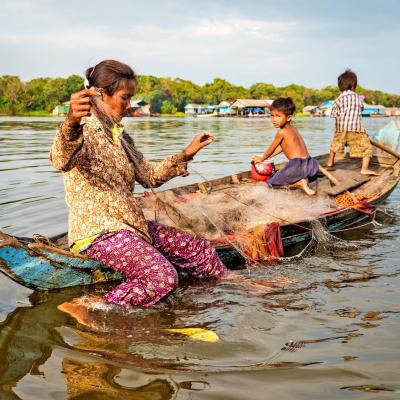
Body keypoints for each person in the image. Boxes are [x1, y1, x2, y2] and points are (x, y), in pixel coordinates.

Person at [51, 60, 280, 326]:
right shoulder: (82, 130)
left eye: (131, 99)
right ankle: (88, 305)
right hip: (99, 232)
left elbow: (148, 176)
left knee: (200, 250)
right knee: (162, 277)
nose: (129, 106)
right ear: (101, 94)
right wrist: (70, 122)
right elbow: (60, 159)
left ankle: (237, 282)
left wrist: (187, 153)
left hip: (130, 225)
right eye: (125, 98)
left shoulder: (120, 137)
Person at [252, 97, 319, 196]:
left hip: (298, 166)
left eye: (278, 116)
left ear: (288, 118)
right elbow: (282, 147)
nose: (274, 119)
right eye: (272, 116)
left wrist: (261, 159)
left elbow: (271, 149)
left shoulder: (281, 132)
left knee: (270, 182)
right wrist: (269, 157)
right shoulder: (293, 129)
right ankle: (304, 179)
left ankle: (299, 183)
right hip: (311, 165)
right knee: (283, 174)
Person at [327, 69, 378, 176]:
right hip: (356, 129)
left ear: (340, 87)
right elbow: (362, 108)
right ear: (353, 86)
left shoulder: (337, 99)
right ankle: (364, 169)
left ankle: (330, 162)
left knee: (334, 145)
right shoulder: (358, 98)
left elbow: (334, 114)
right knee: (367, 148)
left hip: (340, 129)